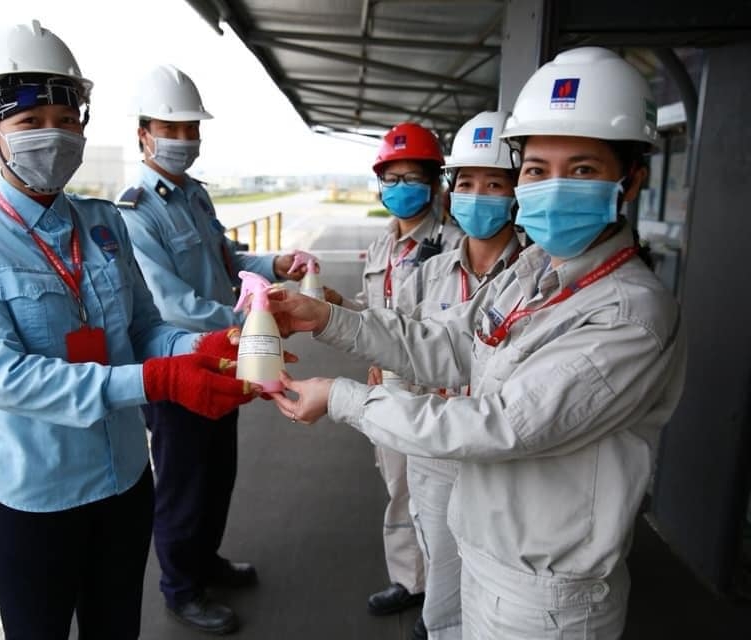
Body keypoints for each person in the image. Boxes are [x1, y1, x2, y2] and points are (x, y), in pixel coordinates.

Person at [267, 46, 686, 639]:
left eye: (582, 170)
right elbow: (448, 343)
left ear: (632, 179)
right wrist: (326, 318)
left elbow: (501, 424)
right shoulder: (533, 273)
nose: (552, 187)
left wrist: (341, 398)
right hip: (484, 550)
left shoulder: (628, 314)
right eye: (536, 169)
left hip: (545, 599)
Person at [0, 22, 258, 640]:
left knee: (117, 629)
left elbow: (144, 328)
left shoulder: (104, 223)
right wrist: (159, 380)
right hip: (37, 500)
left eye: (64, 119)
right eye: (30, 122)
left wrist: (200, 348)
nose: (52, 135)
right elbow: (5, 379)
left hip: (125, 482)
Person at [116, 64, 308, 635]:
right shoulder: (136, 212)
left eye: (191, 128)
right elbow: (170, 304)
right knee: (184, 480)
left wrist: (274, 264)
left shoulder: (194, 197)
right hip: (178, 361)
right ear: (143, 134)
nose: (183, 139)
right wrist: (252, 322)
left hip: (224, 353)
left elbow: (228, 262)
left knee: (218, 469)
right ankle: (181, 587)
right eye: (170, 129)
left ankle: (205, 560)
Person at [321, 121, 463, 628]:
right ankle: (410, 580)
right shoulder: (384, 243)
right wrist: (342, 305)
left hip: (435, 389)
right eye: (391, 178)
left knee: (436, 500)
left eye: (412, 178)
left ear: (434, 183)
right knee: (398, 486)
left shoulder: (453, 244)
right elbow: (378, 313)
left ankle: (441, 601)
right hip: (388, 382)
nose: (400, 188)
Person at [393, 110, 521, 640]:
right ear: (450, 192)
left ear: (517, 193)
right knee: (442, 572)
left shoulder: (537, 277)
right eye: (466, 183)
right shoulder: (427, 274)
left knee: (497, 583)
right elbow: (398, 347)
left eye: (495, 184)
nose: (477, 196)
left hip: (503, 458)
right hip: (433, 451)